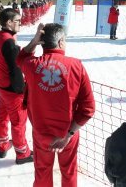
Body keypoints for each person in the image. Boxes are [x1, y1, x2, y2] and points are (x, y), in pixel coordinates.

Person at [16, 23, 95, 187]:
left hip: (41, 134)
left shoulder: (32, 65)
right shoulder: (76, 66)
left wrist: (34, 42)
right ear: (60, 42)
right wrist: (69, 134)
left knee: (42, 171)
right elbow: (88, 108)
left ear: (42, 43)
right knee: (69, 171)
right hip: (67, 133)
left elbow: (20, 58)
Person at [0, 8, 33, 164]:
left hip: (1, 84)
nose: (20, 24)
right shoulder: (9, 42)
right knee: (18, 122)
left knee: (3, 115)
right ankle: (22, 153)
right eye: (17, 21)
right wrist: (21, 90)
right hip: (11, 89)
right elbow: (16, 69)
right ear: (9, 23)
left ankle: (2, 145)